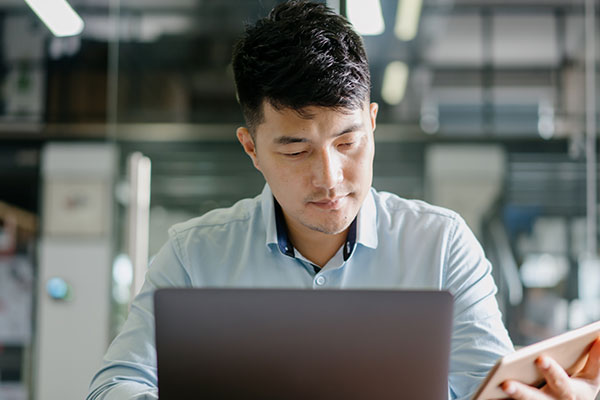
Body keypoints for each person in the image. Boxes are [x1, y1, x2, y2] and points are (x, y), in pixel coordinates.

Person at [87, 1, 600, 399]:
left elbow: (487, 388)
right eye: (295, 149)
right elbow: (112, 385)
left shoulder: (440, 245)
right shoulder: (194, 255)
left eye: (348, 142)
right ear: (252, 149)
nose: (330, 178)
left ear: (373, 123)